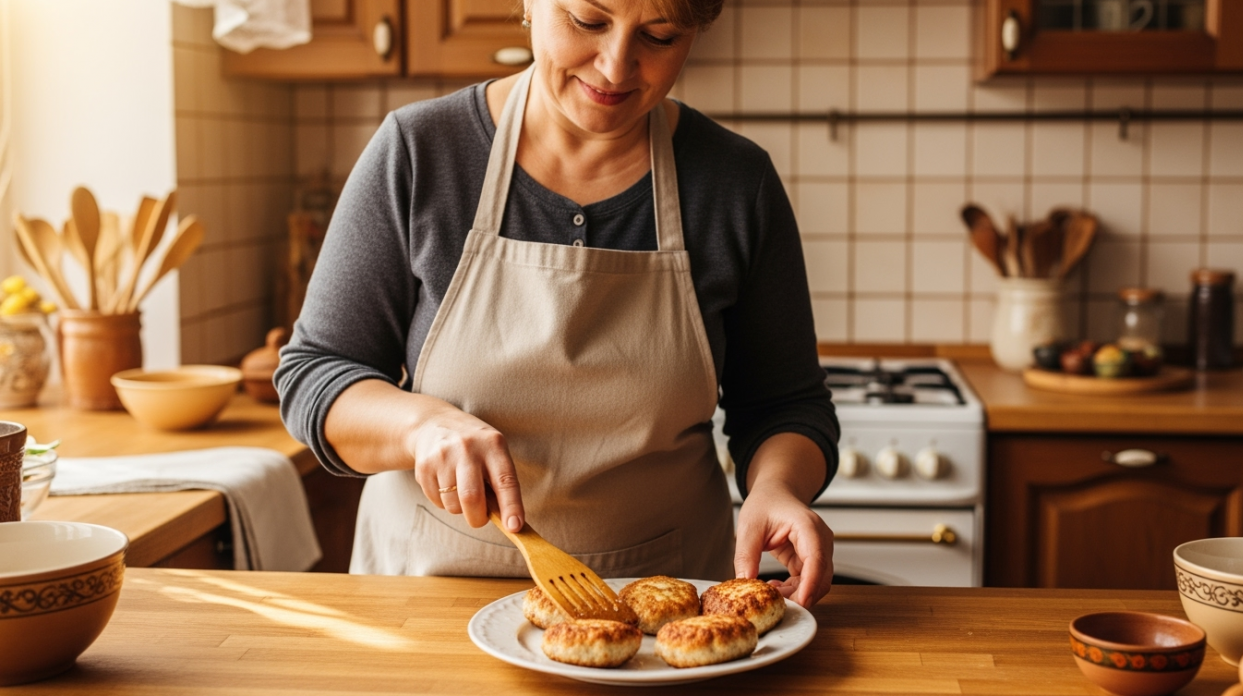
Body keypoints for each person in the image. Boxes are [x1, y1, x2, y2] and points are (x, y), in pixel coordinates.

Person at [273, 0, 840, 608]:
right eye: (588, 21)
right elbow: (315, 375)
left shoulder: (734, 182)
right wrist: (420, 427)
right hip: (429, 602)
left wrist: (778, 487)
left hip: (662, 614)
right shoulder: (419, 153)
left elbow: (785, 405)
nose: (616, 66)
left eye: (659, 36)